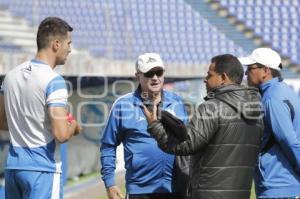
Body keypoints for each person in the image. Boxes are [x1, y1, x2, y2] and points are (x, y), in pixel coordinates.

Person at [143, 54, 264, 199]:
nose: (205, 79)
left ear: (223, 78)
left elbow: (185, 146)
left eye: (209, 74)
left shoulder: (211, 108)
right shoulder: (257, 112)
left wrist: (155, 126)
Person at [0, 17, 81, 199]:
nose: (70, 49)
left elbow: (3, 122)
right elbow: (61, 134)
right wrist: (73, 126)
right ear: (56, 44)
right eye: (69, 43)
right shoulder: (54, 81)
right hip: (42, 170)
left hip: (13, 169)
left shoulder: (10, 76)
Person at [100, 53, 189, 199]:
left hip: (176, 188)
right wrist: (110, 183)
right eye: (149, 73)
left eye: (158, 72)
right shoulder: (122, 105)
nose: (155, 77)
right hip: (140, 190)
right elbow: (108, 145)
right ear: (138, 76)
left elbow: (188, 142)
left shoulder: (177, 102)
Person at [239, 48, 300, 199]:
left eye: (250, 68)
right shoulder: (282, 91)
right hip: (283, 183)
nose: (246, 73)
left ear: (265, 70)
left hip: (278, 185)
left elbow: (288, 140)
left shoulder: (272, 98)